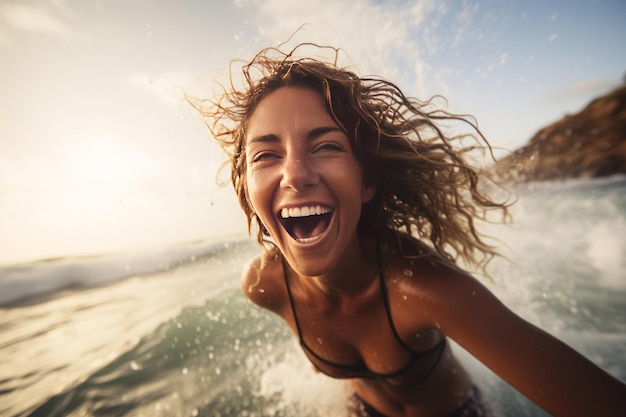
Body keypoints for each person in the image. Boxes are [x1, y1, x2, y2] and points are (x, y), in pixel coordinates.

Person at [191, 43, 626, 417]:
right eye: (266, 155)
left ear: (367, 181)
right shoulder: (264, 286)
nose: (295, 174)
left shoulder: (422, 289)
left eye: (326, 146)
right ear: (248, 190)